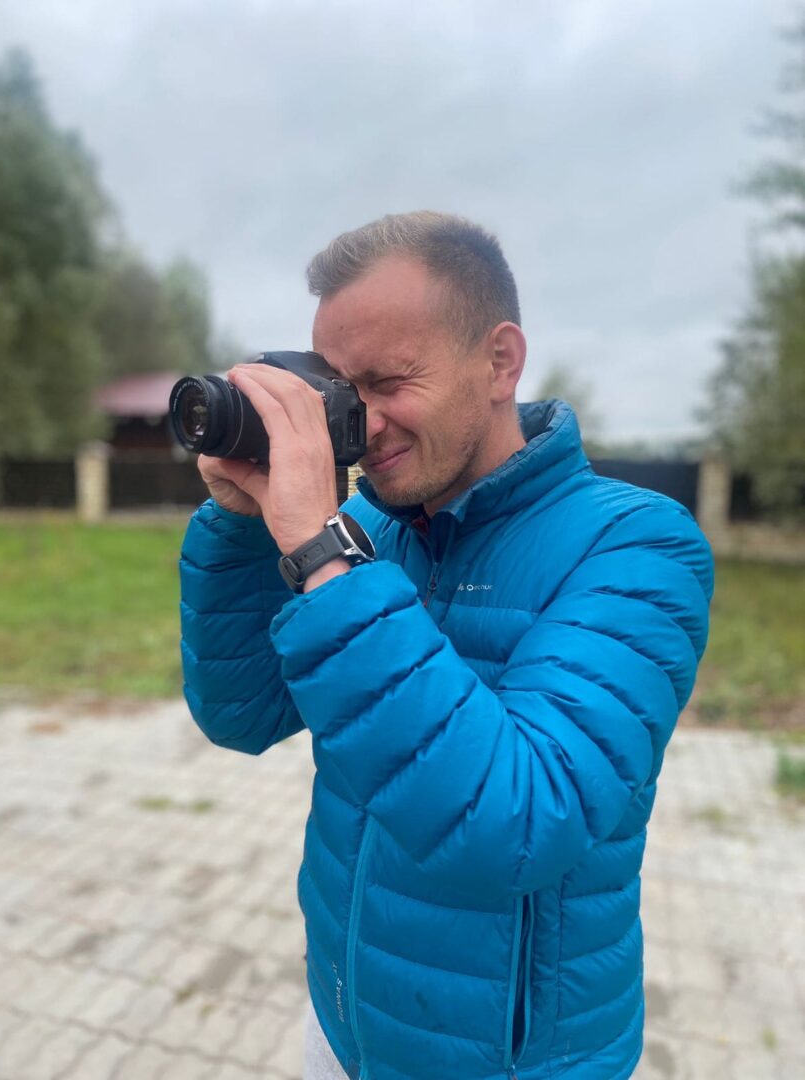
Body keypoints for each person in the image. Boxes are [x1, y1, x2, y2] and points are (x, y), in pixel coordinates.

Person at [179, 211, 714, 1080]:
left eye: (389, 381)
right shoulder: (367, 532)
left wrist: (323, 556)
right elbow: (242, 714)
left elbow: (519, 822)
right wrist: (243, 524)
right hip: (346, 1018)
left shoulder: (637, 544)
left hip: (509, 1062)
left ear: (500, 361)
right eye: (338, 390)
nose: (360, 424)